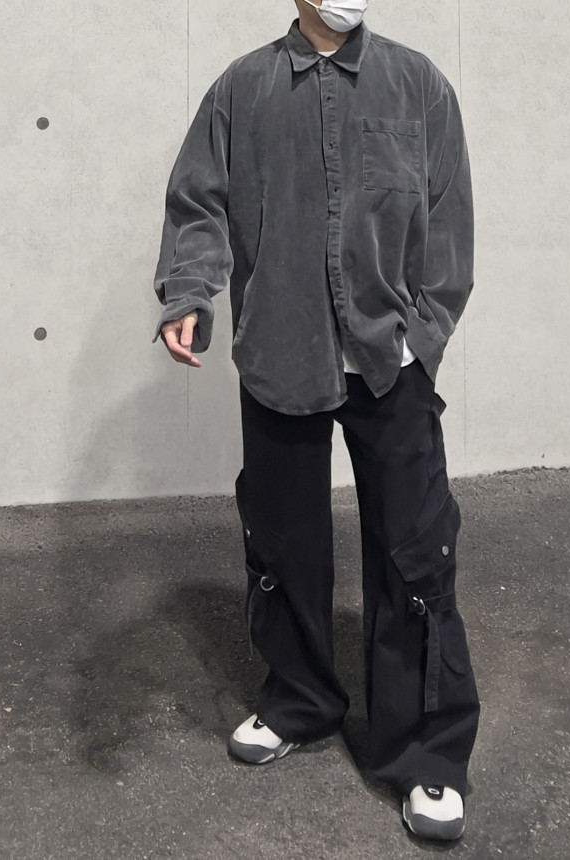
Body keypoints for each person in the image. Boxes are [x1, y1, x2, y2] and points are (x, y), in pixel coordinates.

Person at [153, 0, 480, 841]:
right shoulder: (242, 88)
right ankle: (299, 700)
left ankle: (425, 750)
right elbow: (198, 201)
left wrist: (423, 336)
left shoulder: (417, 84)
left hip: (389, 361)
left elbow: (449, 217)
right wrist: (188, 293)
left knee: (415, 550)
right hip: (281, 350)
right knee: (282, 541)